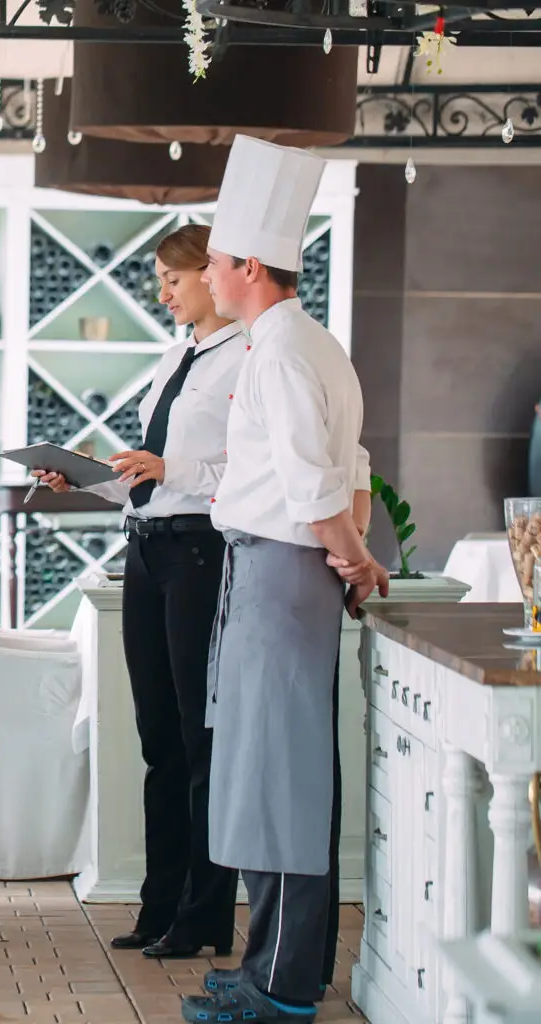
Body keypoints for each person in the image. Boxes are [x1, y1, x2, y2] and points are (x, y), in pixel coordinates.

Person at [179, 135, 386, 1024]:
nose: (208, 276)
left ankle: (285, 985)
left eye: (217, 263)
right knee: (268, 780)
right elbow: (357, 468)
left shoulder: (285, 349)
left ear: (250, 266)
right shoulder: (299, 342)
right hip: (269, 577)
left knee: (288, 785)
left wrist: (350, 555)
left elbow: (315, 486)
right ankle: (268, 964)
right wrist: (350, 544)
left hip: (283, 577)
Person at [33, 224, 243, 960]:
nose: (161, 292)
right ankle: (161, 906)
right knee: (158, 741)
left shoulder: (247, 358)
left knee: (198, 740)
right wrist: (87, 475)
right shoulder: (176, 356)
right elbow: (151, 474)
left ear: (212, 277)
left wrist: (170, 471)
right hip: (149, 552)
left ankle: (205, 912)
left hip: (199, 556)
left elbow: (249, 472)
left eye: (172, 279)